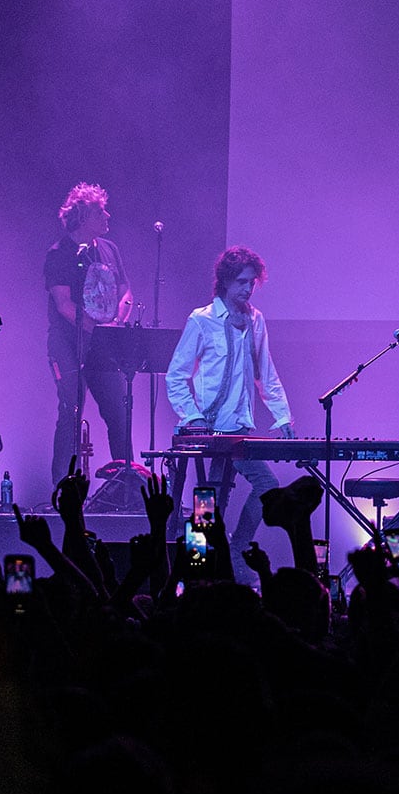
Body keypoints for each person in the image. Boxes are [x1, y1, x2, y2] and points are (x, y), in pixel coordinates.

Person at [165, 245, 294, 579]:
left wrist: (282, 416)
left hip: (238, 430)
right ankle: (200, 570)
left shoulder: (255, 320)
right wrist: (191, 416)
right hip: (206, 430)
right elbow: (177, 375)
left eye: (252, 281)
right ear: (224, 281)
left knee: (265, 485)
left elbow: (265, 373)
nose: (247, 288)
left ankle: (234, 552)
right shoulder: (201, 320)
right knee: (209, 501)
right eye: (241, 281)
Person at [45, 182, 136, 490]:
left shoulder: (110, 249)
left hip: (103, 345)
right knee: (71, 411)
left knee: (118, 414)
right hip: (67, 345)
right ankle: (63, 487)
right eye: (100, 211)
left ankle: (127, 488)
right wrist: (98, 330)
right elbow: (64, 305)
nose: (107, 215)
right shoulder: (60, 254)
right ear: (82, 216)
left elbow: (125, 292)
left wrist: (118, 322)